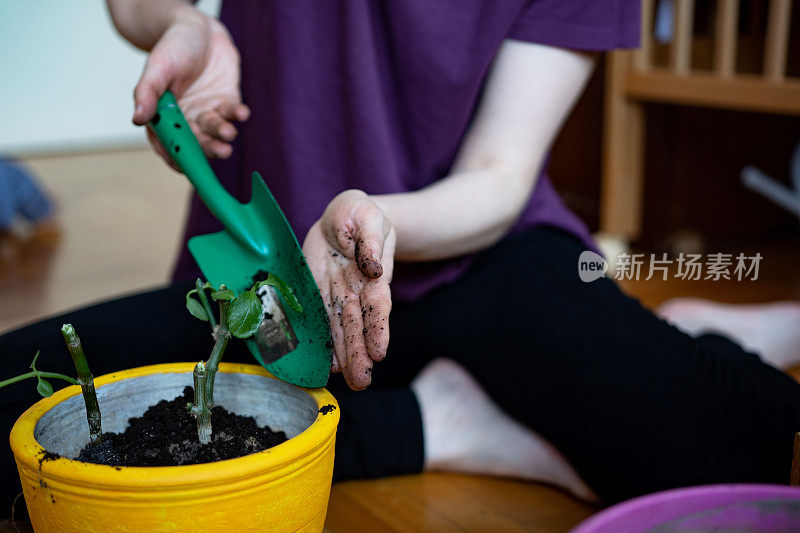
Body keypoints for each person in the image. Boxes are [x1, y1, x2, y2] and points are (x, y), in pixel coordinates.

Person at [1, 0, 799, 509]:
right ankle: (440, 421)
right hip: (280, 284)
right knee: (17, 412)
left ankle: (714, 333)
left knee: (738, 446)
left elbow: (499, 175)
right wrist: (182, 22)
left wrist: (379, 217)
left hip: (477, 251)